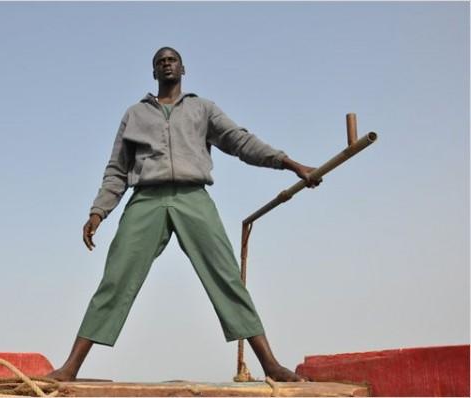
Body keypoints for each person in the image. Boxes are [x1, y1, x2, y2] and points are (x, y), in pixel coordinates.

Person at [47, 47, 321, 383]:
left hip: (193, 197)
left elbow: (240, 141)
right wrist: (98, 211)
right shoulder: (135, 114)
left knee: (226, 275)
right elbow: (117, 169)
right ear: (153, 72)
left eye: (171, 59)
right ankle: (71, 367)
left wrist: (289, 164)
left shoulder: (202, 109)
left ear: (183, 68)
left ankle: (270, 365)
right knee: (115, 277)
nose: (166, 64)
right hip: (146, 199)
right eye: (159, 61)